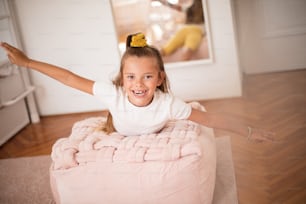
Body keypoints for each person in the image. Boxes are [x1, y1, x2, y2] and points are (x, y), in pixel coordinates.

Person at [0, 33, 274, 142]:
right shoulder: (114, 94)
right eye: (130, 77)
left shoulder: (169, 104)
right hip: (120, 130)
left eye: (146, 77)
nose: (138, 84)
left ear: (160, 79)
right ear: (122, 77)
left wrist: (248, 130)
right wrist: (27, 62)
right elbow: (69, 78)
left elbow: (211, 118)